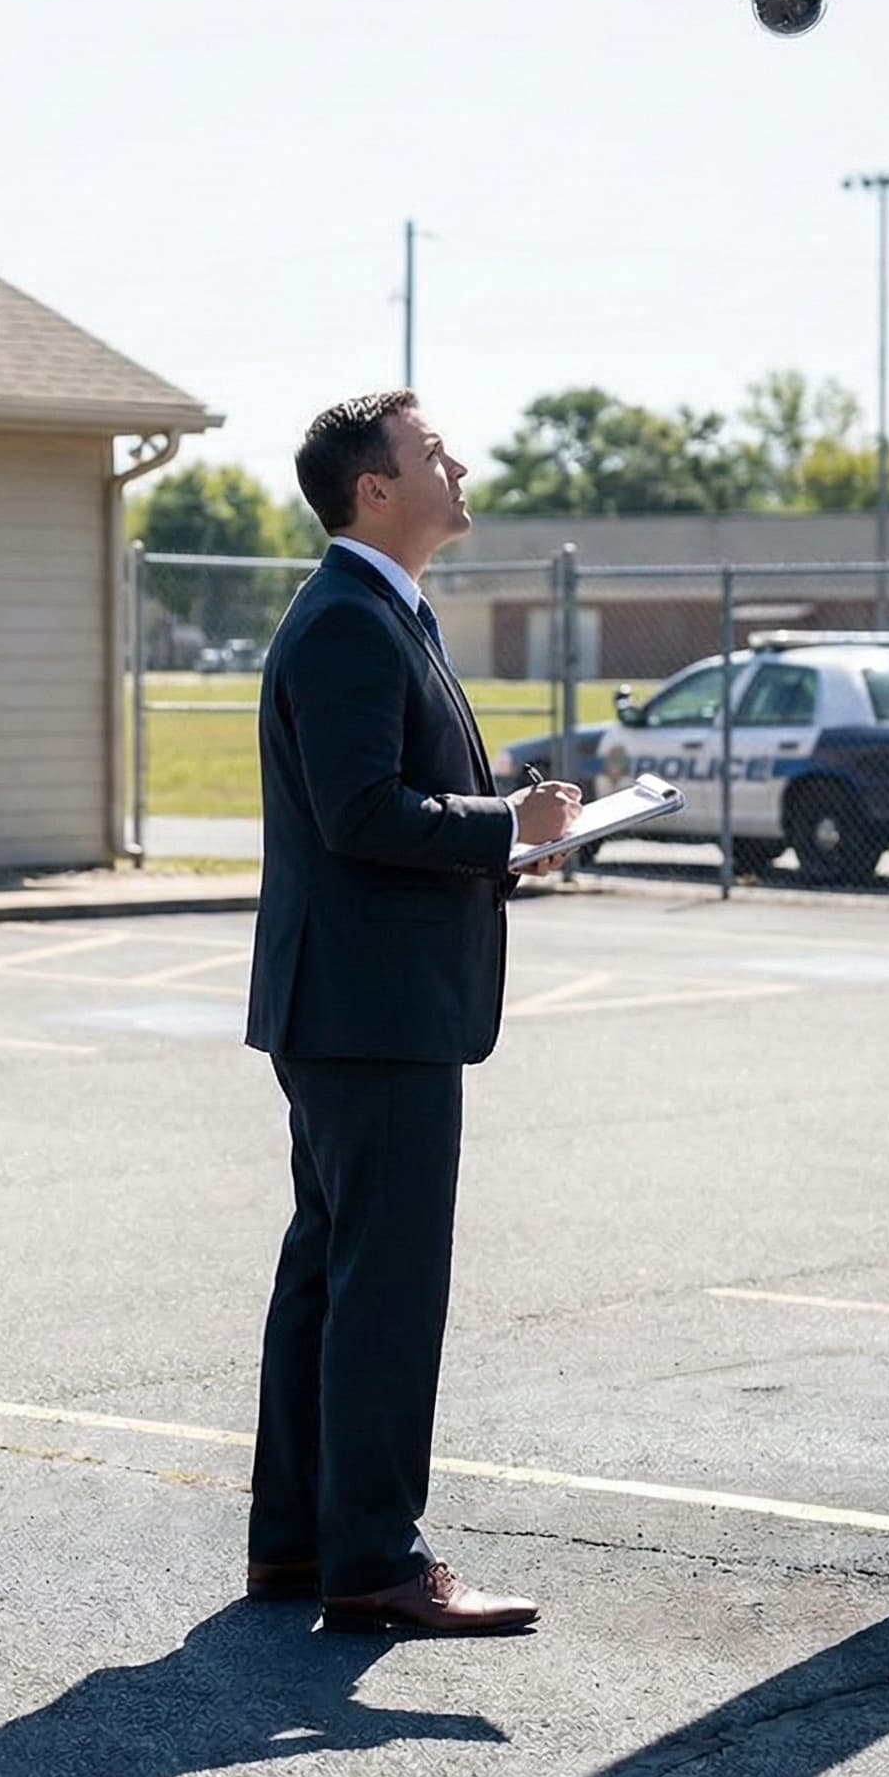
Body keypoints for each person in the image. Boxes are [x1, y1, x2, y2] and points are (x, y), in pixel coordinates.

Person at [243, 388, 581, 1636]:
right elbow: (360, 813)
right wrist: (509, 827)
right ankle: (377, 1561)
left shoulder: (377, 611)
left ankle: (297, 1545)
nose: (455, 462)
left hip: (355, 1005)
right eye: (429, 450)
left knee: (332, 1278)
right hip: (370, 1013)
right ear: (372, 489)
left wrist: (510, 840)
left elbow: (377, 814)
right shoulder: (347, 619)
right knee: (380, 1288)